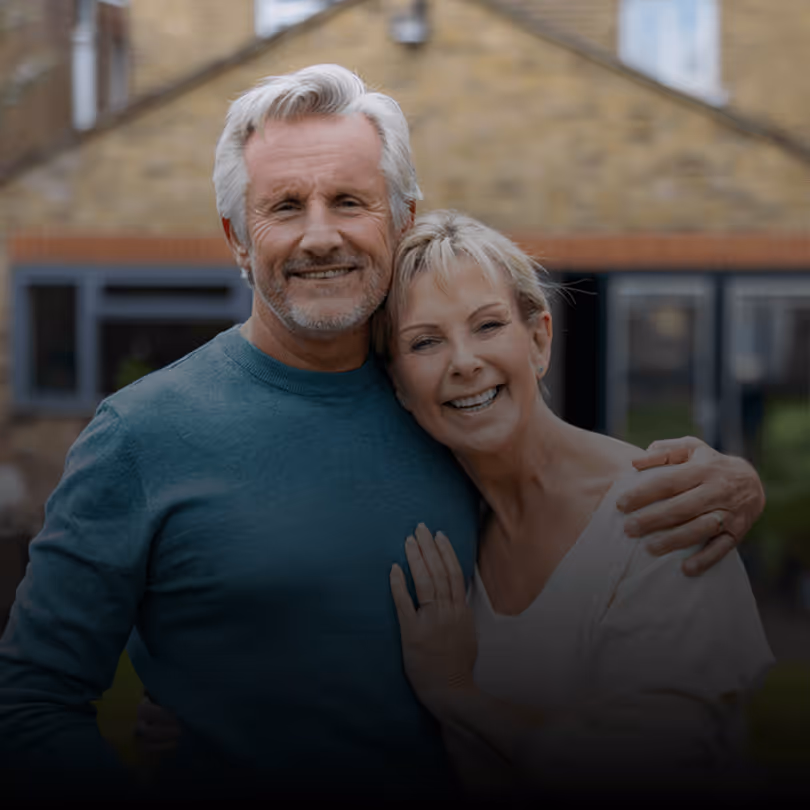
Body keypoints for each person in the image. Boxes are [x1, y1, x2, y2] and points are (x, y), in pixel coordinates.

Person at [0, 65, 765, 802]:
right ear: (237, 236)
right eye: (285, 206)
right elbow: (30, 703)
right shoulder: (141, 436)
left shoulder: (439, 406)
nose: (320, 235)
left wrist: (728, 479)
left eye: (349, 200)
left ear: (399, 219)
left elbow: (564, 492)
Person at [383, 211, 774, 800]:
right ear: (399, 386)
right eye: (426, 341)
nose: (463, 361)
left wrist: (455, 692)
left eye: (487, 326)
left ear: (539, 340)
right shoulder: (456, 524)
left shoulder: (665, 512)